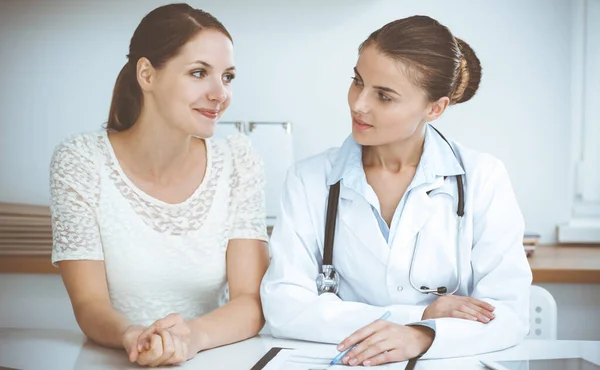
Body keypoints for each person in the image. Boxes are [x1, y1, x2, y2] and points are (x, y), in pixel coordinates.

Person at [260, 15, 532, 367]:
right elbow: (284, 306)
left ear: (435, 108)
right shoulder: (310, 179)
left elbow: (508, 313)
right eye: (358, 81)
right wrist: (418, 318)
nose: (358, 104)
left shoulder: (482, 177)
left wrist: (422, 337)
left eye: (384, 96)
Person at [49, 3, 269, 367]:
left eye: (227, 77)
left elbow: (250, 302)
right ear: (147, 75)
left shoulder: (238, 159)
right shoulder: (80, 161)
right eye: (199, 73)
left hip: (213, 359)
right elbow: (89, 305)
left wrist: (190, 338)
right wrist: (132, 336)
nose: (220, 94)